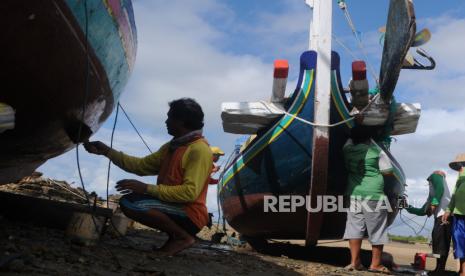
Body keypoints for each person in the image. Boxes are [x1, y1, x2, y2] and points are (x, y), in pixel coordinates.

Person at [84, 98, 212, 256]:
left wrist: (145, 188)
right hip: (175, 206)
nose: (166, 121)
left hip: (190, 213)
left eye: (170, 117)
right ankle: (176, 236)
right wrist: (107, 152)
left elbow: (189, 193)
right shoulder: (173, 147)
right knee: (131, 201)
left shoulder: (199, 150)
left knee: (132, 204)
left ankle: (182, 237)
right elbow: (140, 166)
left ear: (181, 121)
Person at [342, 126, 393, 273]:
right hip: (374, 195)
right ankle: (375, 264)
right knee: (376, 229)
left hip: (354, 194)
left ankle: (354, 262)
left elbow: (349, 141)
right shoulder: (376, 152)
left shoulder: (347, 150)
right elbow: (388, 172)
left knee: (354, 227)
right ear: (369, 139)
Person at [405, 170, 451, 273]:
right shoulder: (432, 194)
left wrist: (433, 205)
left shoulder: (436, 176)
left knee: (441, 244)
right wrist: (407, 207)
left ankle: (440, 270)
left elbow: (440, 189)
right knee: (439, 243)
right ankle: (439, 269)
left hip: (444, 216)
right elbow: (422, 211)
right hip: (441, 217)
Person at [442, 153, 465, 276]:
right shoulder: (459, 180)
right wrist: (448, 209)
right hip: (458, 215)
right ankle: (463, 271)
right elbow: (454, 195)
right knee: (460, 242)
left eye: (462, 165)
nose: (460, 168)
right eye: (459, 165)